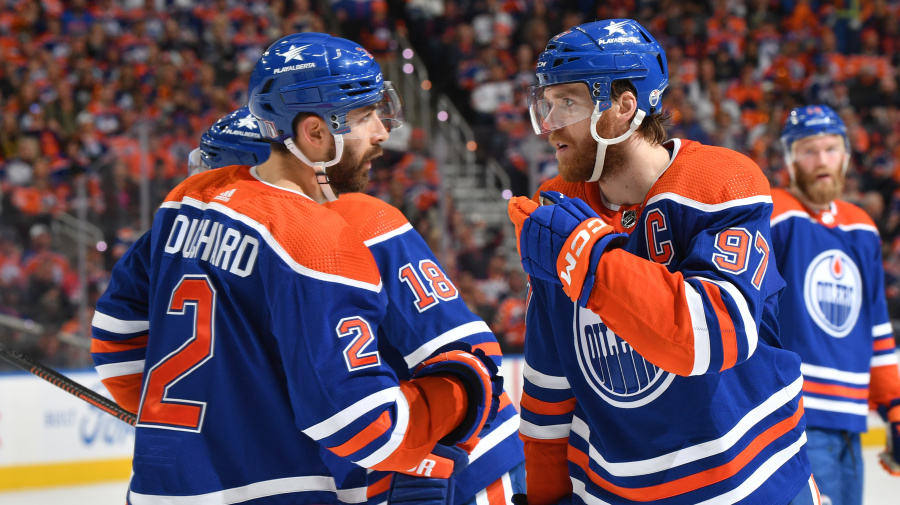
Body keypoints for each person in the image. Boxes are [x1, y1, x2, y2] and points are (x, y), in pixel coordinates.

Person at [91, 32, 500, 505]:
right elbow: (361, 424)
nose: (382, 132)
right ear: (314, 132)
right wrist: (463, 393)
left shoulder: (187, 200)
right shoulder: (317, 239)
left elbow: (117, 340)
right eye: (365, 117)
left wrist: (197, 417)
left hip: (154, 492)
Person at [506, 19, 818, 505]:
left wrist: (584, 253)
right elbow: (550, 376)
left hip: (754, 485)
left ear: (623, 107)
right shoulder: (558, 209)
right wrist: (545, 493)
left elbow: (712, 336)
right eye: (546, 104)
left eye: (567, 102)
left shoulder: (720, 182)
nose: (549, 124)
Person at [191, 104, 526, 505]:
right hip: (362, 484)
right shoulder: (224, 269)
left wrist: (425, 467)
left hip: (464, 476)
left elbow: (472, 357)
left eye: (219, 185)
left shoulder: (359, 223)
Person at [771, 105, 900, 505]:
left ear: (846, 156)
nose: (822, 160)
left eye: (831, 149)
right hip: (794, 419)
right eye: (809, 150)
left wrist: (894, 406)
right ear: (790, 160)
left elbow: (875, 326)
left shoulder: (861, 226)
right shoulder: (773, 214)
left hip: (851, 421)